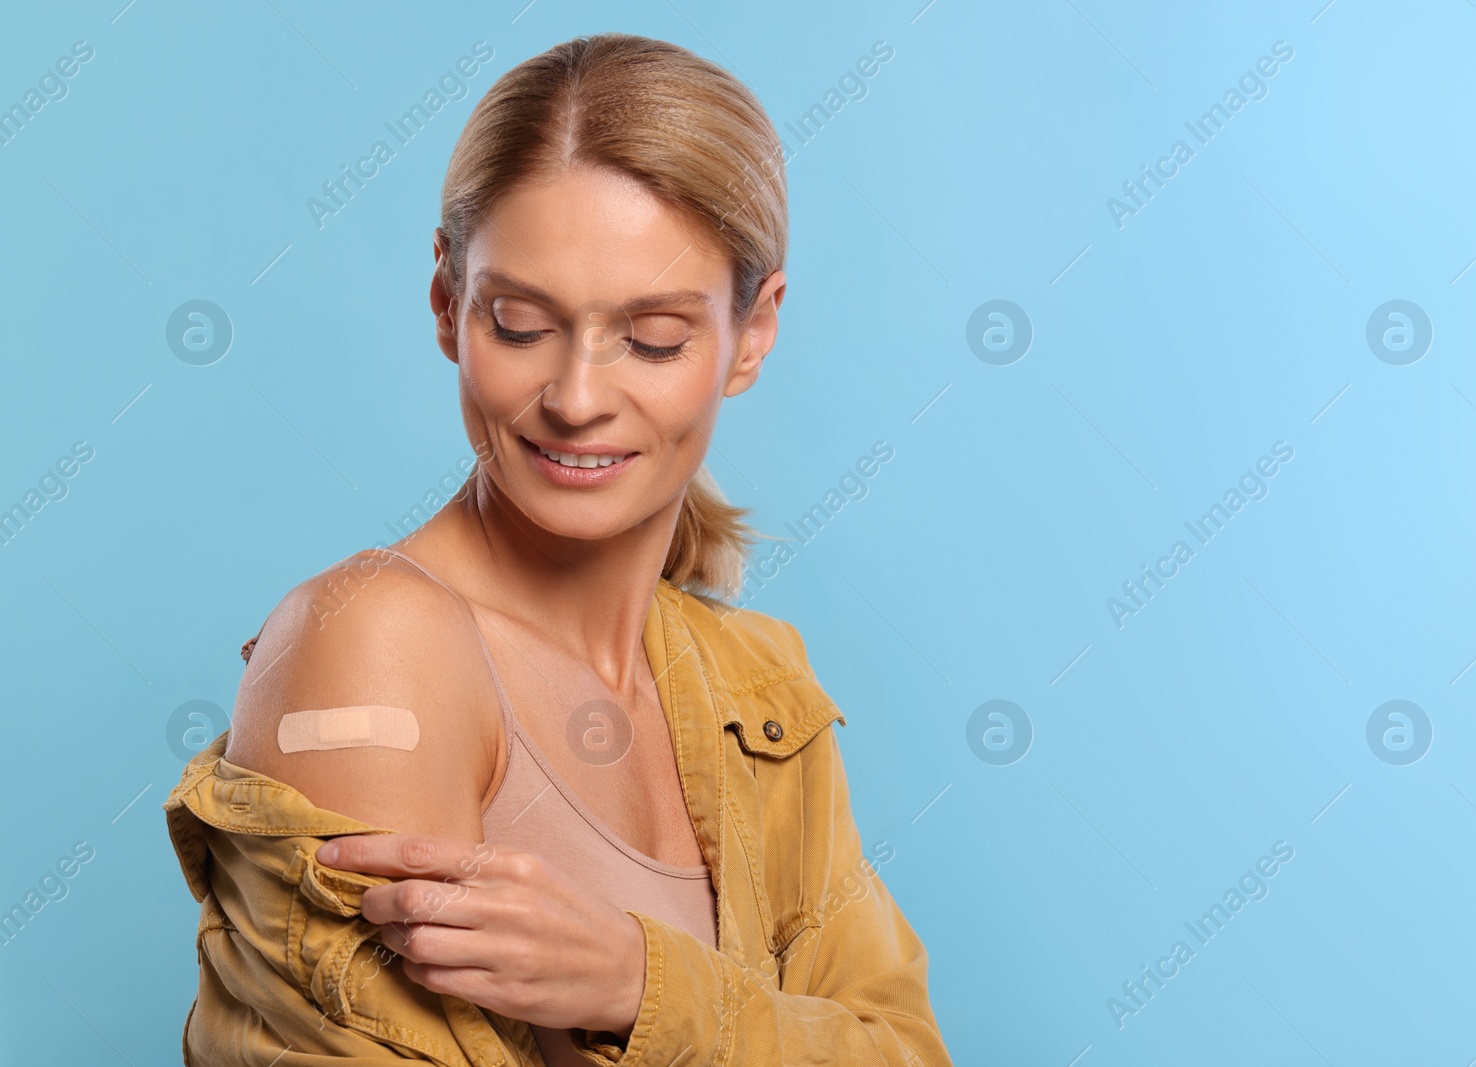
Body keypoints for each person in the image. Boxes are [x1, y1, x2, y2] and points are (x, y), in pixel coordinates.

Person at [171, 32, 953, 1066]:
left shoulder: (757, 689)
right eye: (520, 321)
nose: (578, 399)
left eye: (656, 337)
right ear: (449, 304)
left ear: (752, 333)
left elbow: (903, 1047)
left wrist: (638, 984)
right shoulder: (372, 642)